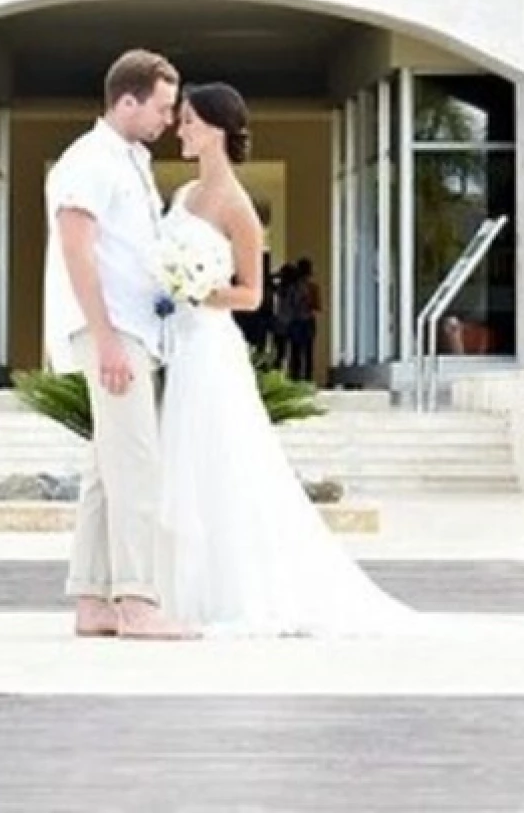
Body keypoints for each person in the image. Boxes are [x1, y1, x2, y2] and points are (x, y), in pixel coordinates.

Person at [156, 81, 414, 636]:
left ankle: (236, 592)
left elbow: (252, 295)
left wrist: (198, 290)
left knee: (224, 460)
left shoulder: (238, 207)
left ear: (217, 130)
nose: (181, 130)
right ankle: (186, 593)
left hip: (211, 346)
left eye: (190, 122)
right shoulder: (181, 198)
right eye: (181, 121)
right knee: (186, 463)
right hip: (181, 346)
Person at [44, 49, 191, 641]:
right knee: (136, 466)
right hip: (112, 331)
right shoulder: (89, 161)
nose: (168, 118)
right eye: (160, 107)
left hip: (134, 329)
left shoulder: (131, 160)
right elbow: (77, 250)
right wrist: (105, 338)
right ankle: (136, 599)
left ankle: (92, 599)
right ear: (126, 101)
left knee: (107, 468)